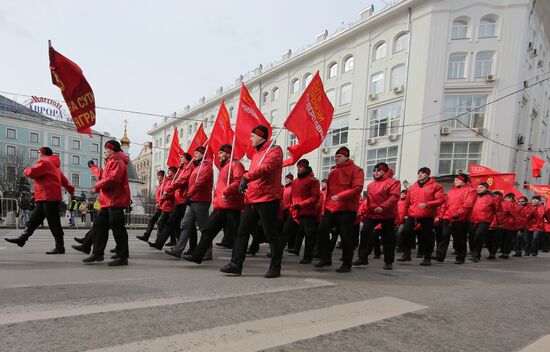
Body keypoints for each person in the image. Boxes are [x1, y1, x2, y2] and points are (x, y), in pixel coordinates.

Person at [220, 125, 284, 278]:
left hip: (268, 199)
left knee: (271, 234)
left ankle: (275, 267)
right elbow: (255, 173)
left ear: (261, 137)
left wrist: (246, 177)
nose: (250, 139)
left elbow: (265, 168)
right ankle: (236, 264)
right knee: (242, 232)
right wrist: (247, 185)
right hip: (252, 199)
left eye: (253, 136)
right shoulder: (257, 154)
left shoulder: (275, 151)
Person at [5, 147, 75, 253]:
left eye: (38, 153)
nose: (37, 155)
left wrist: (25, 170)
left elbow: (31, 173)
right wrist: (71, 190)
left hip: (47, 197)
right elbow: (65, 181)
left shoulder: (45, 162)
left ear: (42, 153)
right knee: (34, 220)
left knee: (53, 223)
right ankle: (22, 239)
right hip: (46, 198)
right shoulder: (55, 166)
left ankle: (60, 247)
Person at [183, 144, 245, 263]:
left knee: (237, 235)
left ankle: (236, 262)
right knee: (208, 231)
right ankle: (198, 255)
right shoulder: (225, 166)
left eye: (221, 153)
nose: (219, 156)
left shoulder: (236, 164)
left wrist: (226, 191)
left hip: (231, 206)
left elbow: (239, 181)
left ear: (228, 153)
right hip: (221, 206)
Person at [314, 147, 364, 273]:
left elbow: (358, 188)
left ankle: (347, 264)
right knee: (322, 230)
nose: (336, 158)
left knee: (346, 236)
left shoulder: (356, 170)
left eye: (339, 156)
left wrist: (340, 196)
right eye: (335, 156)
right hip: (332, 207)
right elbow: (329, 191)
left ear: (347, 157)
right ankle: (326, 258)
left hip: (347, 208)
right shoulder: (333, 171)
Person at [82, 140, 131, 266]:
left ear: (112, 150)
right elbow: (104, 176)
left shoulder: (117, 161)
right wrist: (93, 167)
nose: (104, 152)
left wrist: (96, 187)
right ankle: (97, 254)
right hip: (107, 201)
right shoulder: (111, 161)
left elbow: (112, 179)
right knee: (99, 227)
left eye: (106, 150)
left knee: (118, 230)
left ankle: (122, 257)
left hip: (115, 200)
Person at [165, 146, 213, 258]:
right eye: (194, 153)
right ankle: (178, 249)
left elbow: (200, 183)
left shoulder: (206, 166)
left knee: (203, 227)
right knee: (185, 225)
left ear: (203, 154)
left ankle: (207, 251)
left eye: (197, 153)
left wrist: (189, 194)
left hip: (201, 200)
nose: (195, 155)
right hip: (192, 199)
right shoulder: (196, 167)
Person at [354, 162, 400, 270]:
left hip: (387, 214)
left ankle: (388, 261)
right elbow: (368, 201)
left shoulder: (393, 182)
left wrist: (383, 207)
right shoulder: (370, 185)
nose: (376, 172)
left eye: (379, 170)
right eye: (374, 170)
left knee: (388, 238)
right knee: (365, 232)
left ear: (385, 172)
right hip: (372, 213)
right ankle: (362, 257)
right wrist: (364, 211)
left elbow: (394, 197)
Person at [398, 167, 444, 266]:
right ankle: (407, 254)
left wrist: (427, 204)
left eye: (422, 173)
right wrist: (402, 216)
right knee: (405, 232)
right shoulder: (412, 187)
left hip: (427, 214)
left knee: (426, 236)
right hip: (412, 213)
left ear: (427, 174)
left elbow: (440, 200)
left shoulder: (436, 186)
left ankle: (427, 257)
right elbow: (407, 203)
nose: (419, 175)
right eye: (418, 173)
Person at [280, 159, 320, 264]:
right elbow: (292, 197)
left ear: (306, 167)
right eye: (298, 167)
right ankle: (277, 252)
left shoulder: (313, 180)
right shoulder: (295, 182)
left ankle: (308, 256)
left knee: (309, 235)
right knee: (286, 232)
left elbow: (315, 197)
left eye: (301, 167)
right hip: (294, 212)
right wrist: (289, 206)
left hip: (307, 212)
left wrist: (301, 204)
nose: (299, 168)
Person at [149, 153, 193, 249]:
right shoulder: (182, 169)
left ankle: (192, 248)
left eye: (182, 157)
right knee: (170, 223)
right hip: (178, 201)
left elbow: (182, 181)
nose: (180, 159)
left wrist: (169, 188)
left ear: (186, 159)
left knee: (188, 226)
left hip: (184, 200)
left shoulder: (189, 168)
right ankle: (159, 243)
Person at [434, 174, 476, 264]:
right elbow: (444, 205)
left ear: (463, 181)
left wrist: (458, 214)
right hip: (448, 218)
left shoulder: (471, 191)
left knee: (459, 239)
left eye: (457, 180)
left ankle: (460, 257)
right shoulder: (450, 192)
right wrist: (441, 216)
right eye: (455, 180)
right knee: (444, 236)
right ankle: (440, 256)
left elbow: (468, 205)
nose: (455, 181)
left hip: (461, 219)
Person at [469, 182, 502, 262]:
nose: (479, 189)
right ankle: (474, 252)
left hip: (485, 221)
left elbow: (499, 211)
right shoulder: (474, 196)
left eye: (481, 187)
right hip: (473, 220)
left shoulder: (494, 198)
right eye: (478, 187)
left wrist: (499, 223)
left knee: (478, 237)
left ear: (487, 189)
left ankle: (476, 255)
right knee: (472, 238)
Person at [137, 170, 165, 243]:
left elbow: (165, 195)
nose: (158, 177)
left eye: (160, 175)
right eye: (158, 175)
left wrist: (160, 202)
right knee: (153, 220)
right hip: (159, 206)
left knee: (162, 223)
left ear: (163, 176)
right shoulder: (159, 185)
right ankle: (147, 236)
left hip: (163, 206)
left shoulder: (164, 185)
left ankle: (160, 240)